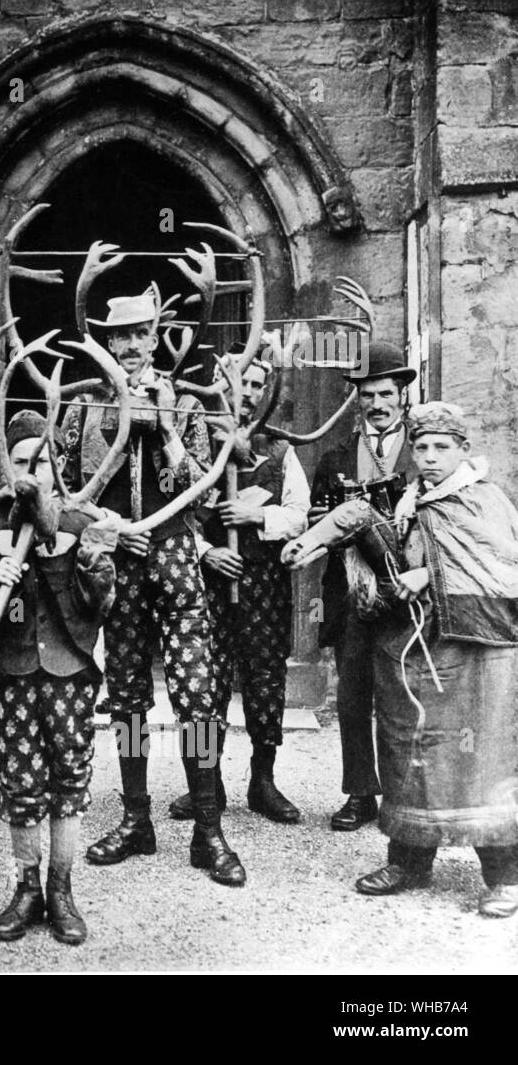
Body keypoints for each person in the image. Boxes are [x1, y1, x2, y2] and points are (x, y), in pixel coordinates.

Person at [60, 293, 244, 887]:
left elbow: (206, 491)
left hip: (176, 560)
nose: (133, 345)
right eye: (123, 337)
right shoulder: (85, 407)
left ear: (157, 335)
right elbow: (64, 493)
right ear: (109, 343)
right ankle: (137, 819)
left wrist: (165, 428)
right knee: (129, 698)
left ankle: (208, 829)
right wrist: (108, 532)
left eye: (143, 334)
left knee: (196, 698)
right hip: (122, 567)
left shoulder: (188, 404)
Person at [0, 411, 118, 944]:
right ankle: (25, 888)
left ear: (56, 467)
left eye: (40, 462)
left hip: (69, 671)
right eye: (20, 462)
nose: (31, 472)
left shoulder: (78, 522)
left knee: (69, 778)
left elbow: (102, 601)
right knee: (20, 780)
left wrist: (98, 570)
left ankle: (62, 889)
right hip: (13, 671)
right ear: (5, 469)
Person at [352, 403, 518, 917]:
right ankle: (408, 859)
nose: (428, 457)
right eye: (421, 447)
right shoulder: (408, 501)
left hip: (474, 651)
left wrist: (429, 577)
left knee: (480, 757)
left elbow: (502, 565)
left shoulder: (483, 500)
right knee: (409, 746)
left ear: (463, 450)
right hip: (415, 646)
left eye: (441, 447)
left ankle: (503, 876)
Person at [175, 350, 308, 822]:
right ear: (217, 384)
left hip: (264, 586)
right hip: (206, 585)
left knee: (265, 682)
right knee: (199, 687)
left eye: (255, 385)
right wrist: (206, 551)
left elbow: (299, 516)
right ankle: (203, 784)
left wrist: (256, 515)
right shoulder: (190, 444)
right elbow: (169, 514)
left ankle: (263, 781)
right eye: (237, 383)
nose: (246, 393)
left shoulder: (280, 450)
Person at [309, 342, 418, 831]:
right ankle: (360, 793)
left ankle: (406, 793)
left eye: (386, 394)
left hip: (406, 589)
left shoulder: (424, 451)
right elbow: (317, 525)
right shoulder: (333, 458)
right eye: (368, 396)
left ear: (403, 396)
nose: (377, 405)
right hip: (352, 591)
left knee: (403, 695)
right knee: (353, 695)